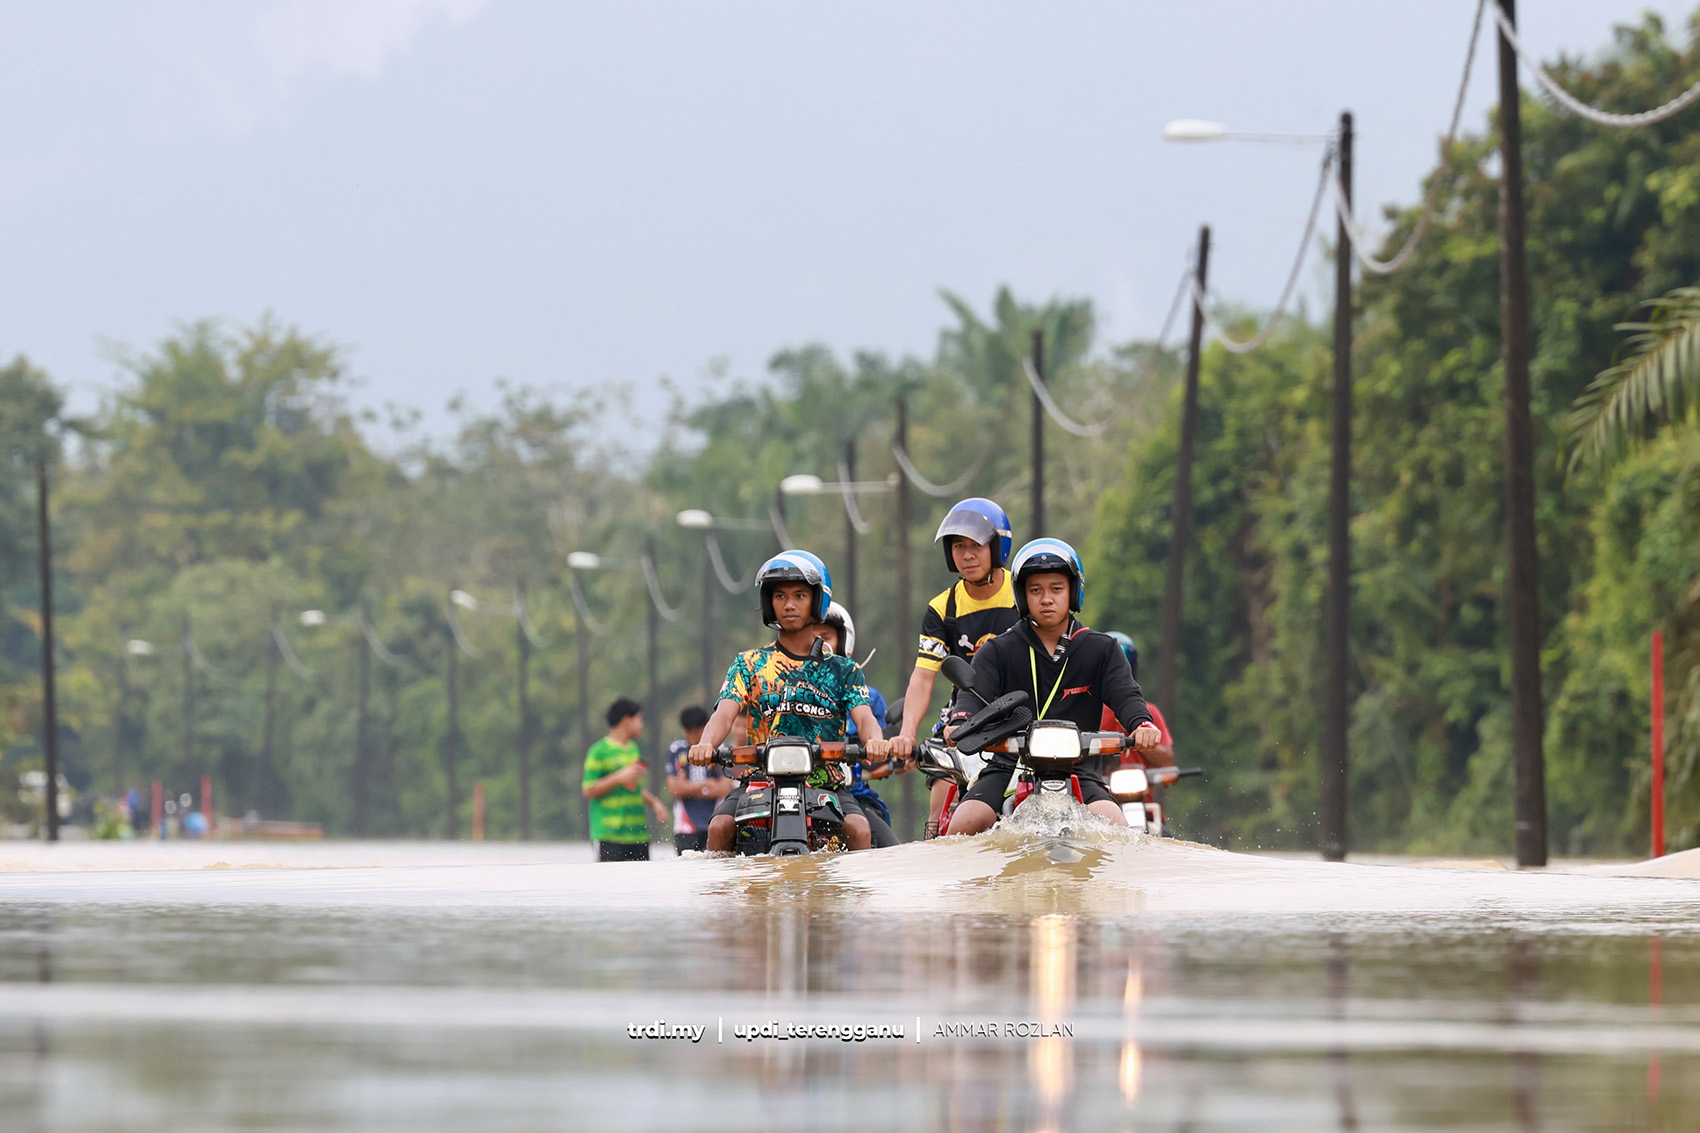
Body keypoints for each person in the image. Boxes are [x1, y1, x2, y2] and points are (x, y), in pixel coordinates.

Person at [943, 538, 1161, 836]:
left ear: (1073, 591)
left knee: (1118, 830)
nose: (1046, 599)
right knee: (964, 824)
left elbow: (1126, 694)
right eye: (1036, 590)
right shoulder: (997, 650)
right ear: (1022, 595)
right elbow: (971, 695)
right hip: (1009, 765)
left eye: (1056, 589)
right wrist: (960, 721)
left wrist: (1142, 723)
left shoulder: (1102, 649)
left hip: (1079, 768)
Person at [689, 550, 891, 852]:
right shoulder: (749, 664)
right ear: (769, 603)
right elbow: (724, 714)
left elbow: (865, 719)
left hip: (827, 783)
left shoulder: (843, 670)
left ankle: (852, 898)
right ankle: (724, 899)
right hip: (761, 780)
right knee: (720, 826)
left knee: (859, 828)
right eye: (780, 596)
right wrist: (706, 744)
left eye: (799, 595)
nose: (789, 605)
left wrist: (875, 742)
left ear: (817, 600)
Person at [888, 497, 1021, 837]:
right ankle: (939, 844)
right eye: (958, 546)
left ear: (997, 546)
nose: (967, 555)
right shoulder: (942, 608)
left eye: (975, 545)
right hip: (964, 718)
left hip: (1024, 711)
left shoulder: (1023, 593)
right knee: (942, 782)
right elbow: (923, 675)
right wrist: (906, 734)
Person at [818, 602, 899, 848]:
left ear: (845, 642)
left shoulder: (867, 696)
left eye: (825, 637)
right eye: (810, 636)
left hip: (850, 792)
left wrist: (876, 749)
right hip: (789, 789)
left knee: (890, 851)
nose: (817, 644)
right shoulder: (778, 682)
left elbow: (875, 734)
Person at [581, 697, 668, 861]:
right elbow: (588, 789)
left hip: (638, 835)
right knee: (611, 885)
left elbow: (633, 787)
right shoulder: (599, 751)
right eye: (639, 719)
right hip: (610, 836)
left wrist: (655, 803)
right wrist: (618, 777)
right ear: (626, 721)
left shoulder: (633, 749)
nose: (641, 724)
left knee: (641, 885)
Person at [665, 704, 733, 853]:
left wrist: (687, 787)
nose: (692, 738)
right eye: (688, 733)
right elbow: (674, 789)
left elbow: (724, 788)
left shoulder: (719, 749)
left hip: (714, 825)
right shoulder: (677, 750)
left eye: (696, 732)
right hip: (685, 828)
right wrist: (706, 785)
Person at [1100, 632, 1175, 768]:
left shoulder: (1146, 712)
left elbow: (1166, 763)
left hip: (1136, 784)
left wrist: (1138, 730)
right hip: (1095, 780)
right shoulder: (1085, 708)